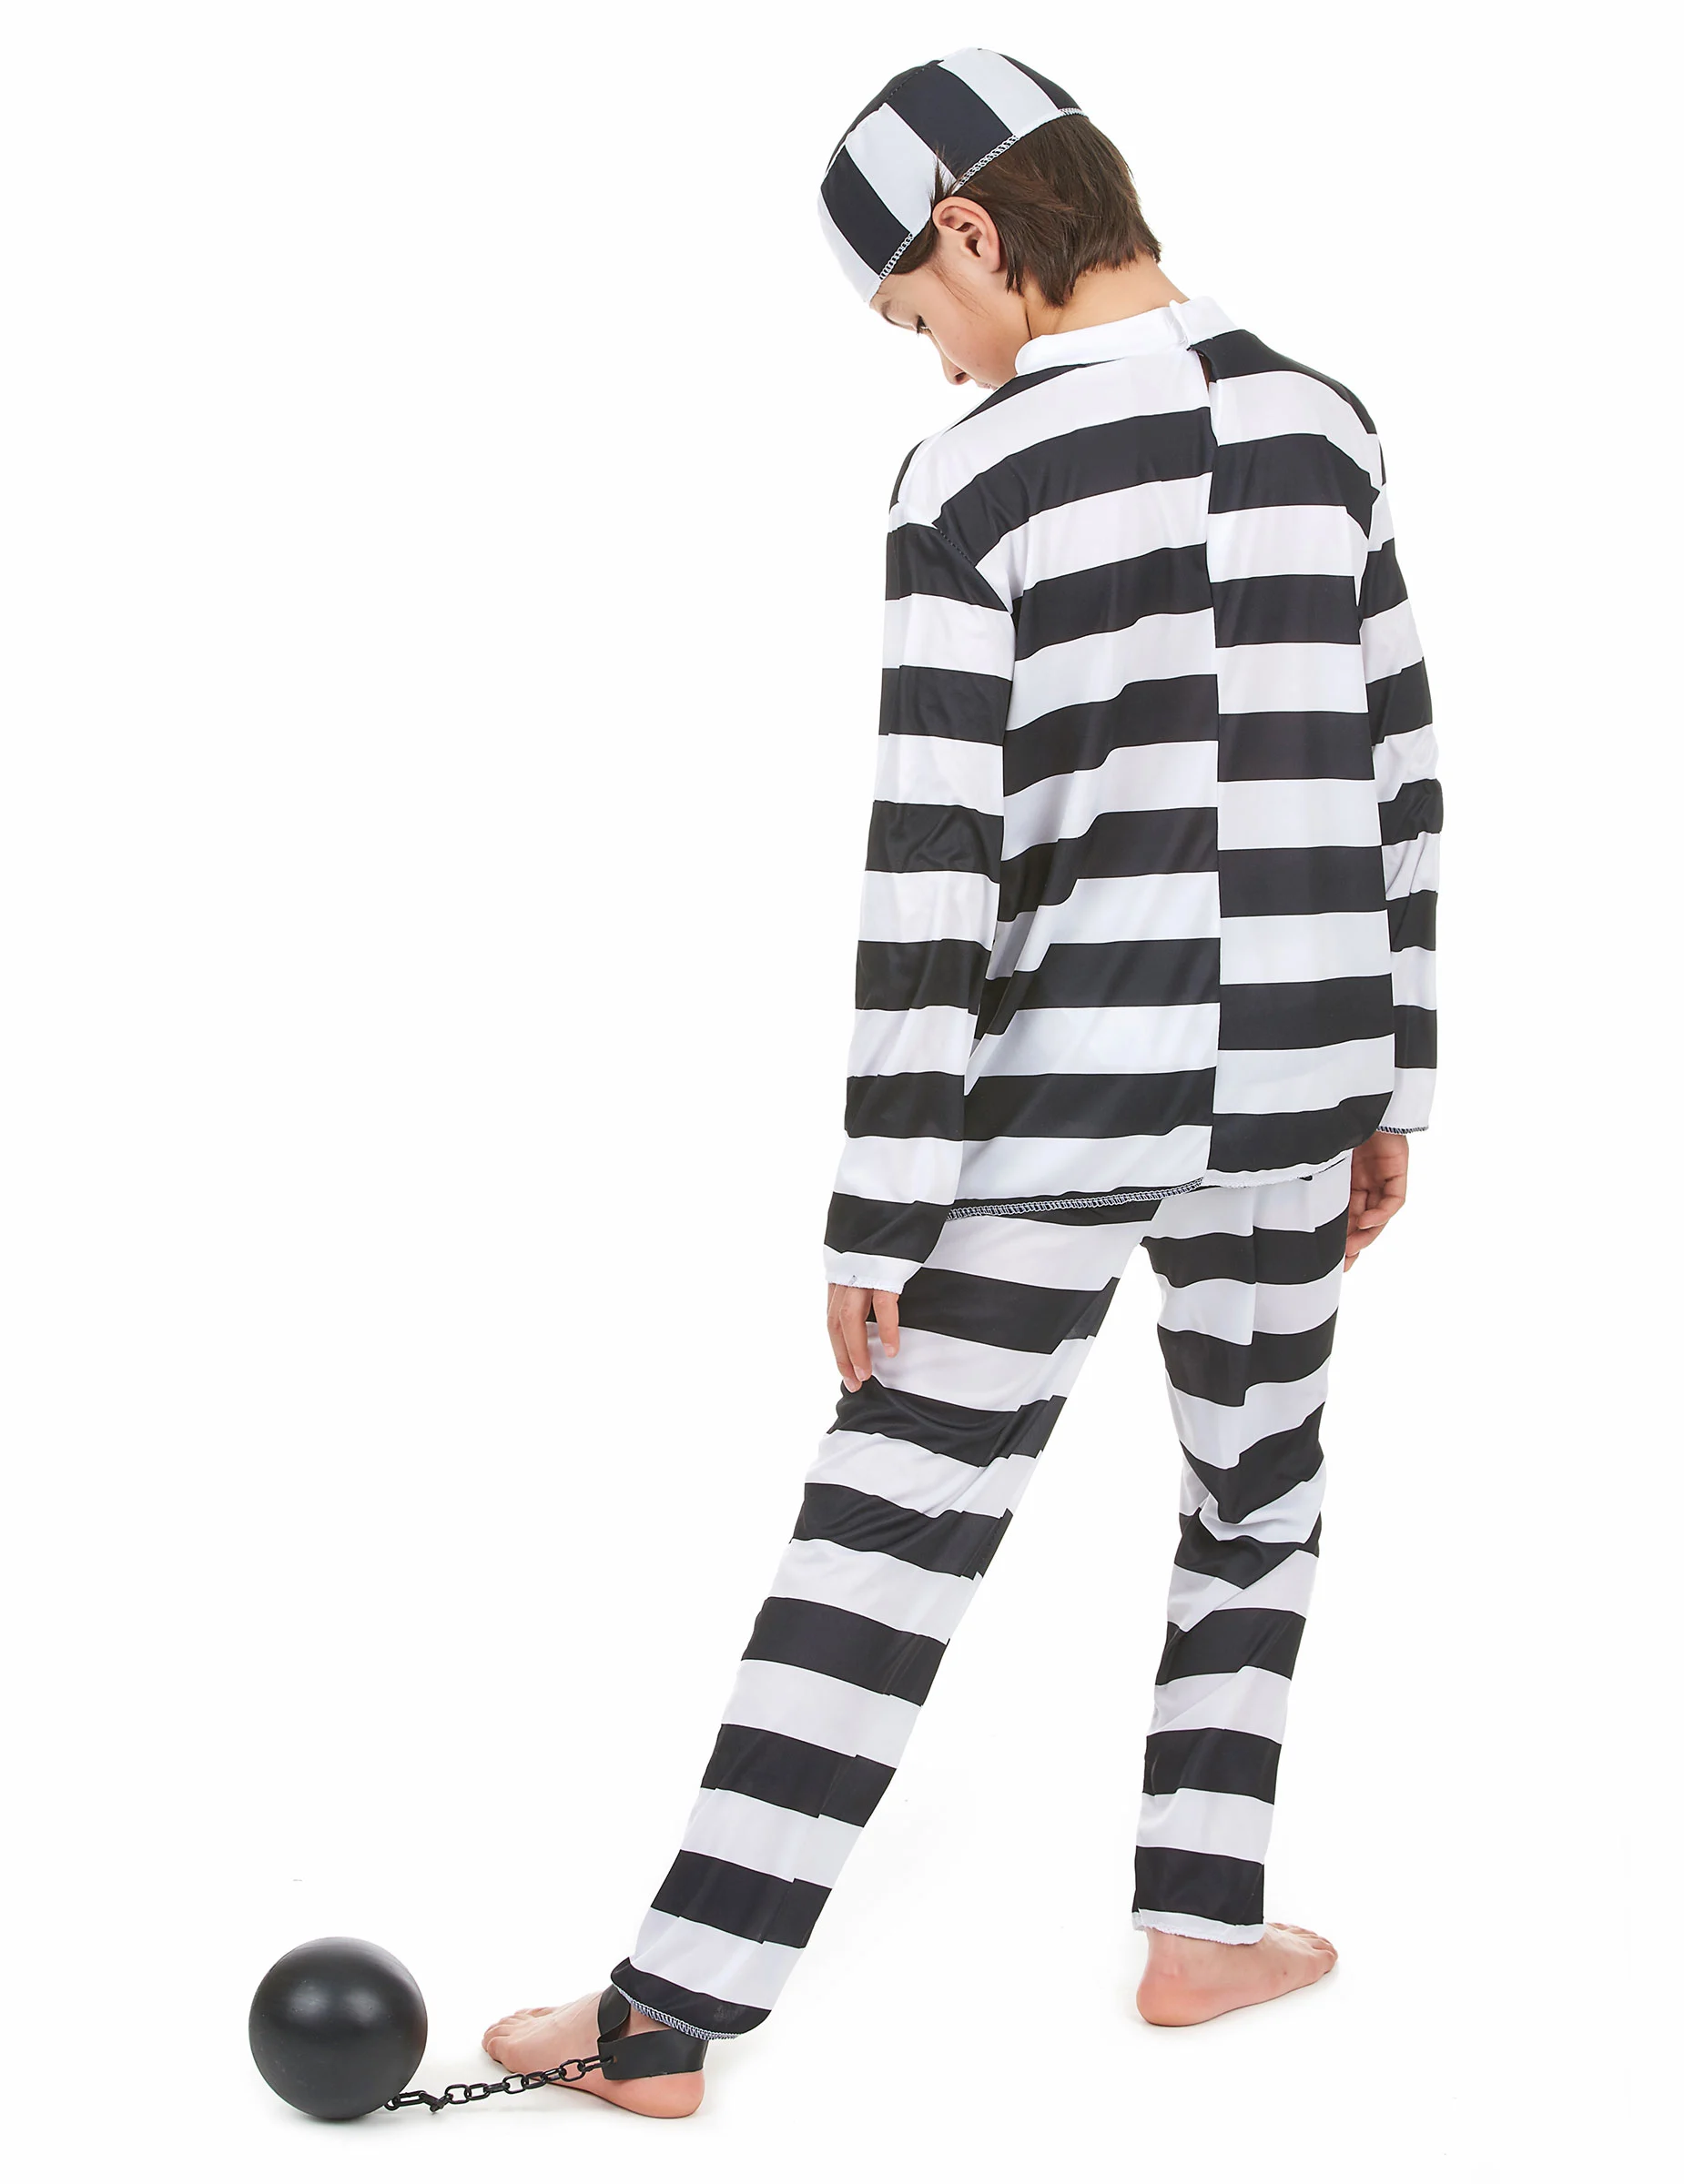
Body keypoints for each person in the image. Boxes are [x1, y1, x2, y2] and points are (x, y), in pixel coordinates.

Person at [483, 46, 1441, 2117]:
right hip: (1300, 1085)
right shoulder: (1326, 420)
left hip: (1059, 1111)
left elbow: (938, 871)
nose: (930, 357)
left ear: (974, 232)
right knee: (1258, 1502)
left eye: (915, 309)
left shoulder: (975, 480)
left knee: (887, 1529)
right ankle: (1201, 1926)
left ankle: (668, 2019)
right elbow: (1399, 773)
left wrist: (877, 1206)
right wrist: (1399, 1079)